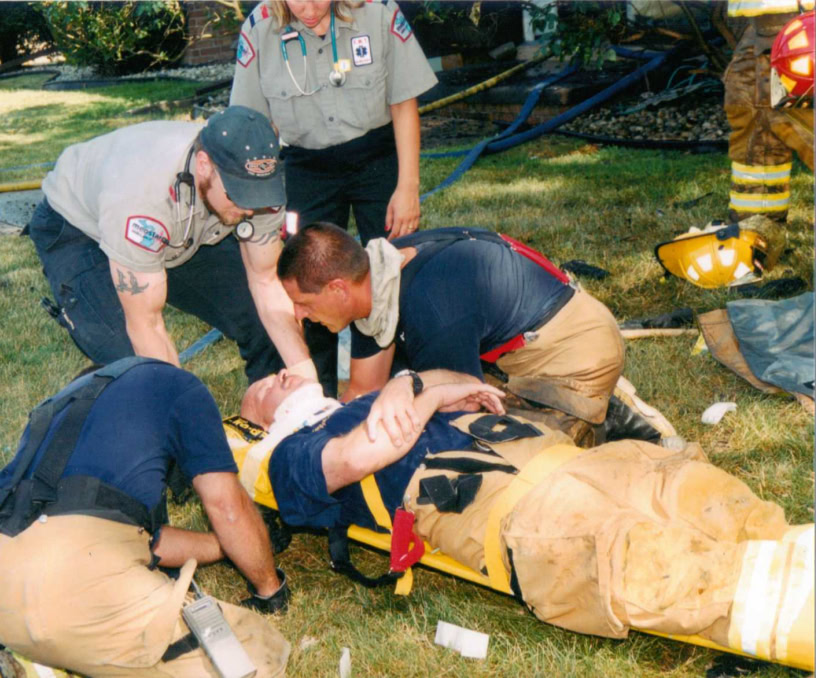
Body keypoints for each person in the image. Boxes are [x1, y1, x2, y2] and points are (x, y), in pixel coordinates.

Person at [235, 368, 815, 670]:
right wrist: (420, 394)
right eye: (263, 385)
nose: (280, 375)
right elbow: (366, 456)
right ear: (262, 421)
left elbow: (470, 388)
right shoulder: (290, 453)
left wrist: (420, 388)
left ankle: (792, 553)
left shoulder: (368, 401)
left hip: (571, 461)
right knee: (650, 565)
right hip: (523, 512)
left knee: (702, 495)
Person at [0, 358, 290, 678]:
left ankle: (9, 668)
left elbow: (149, 543)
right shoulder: (181, 388)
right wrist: (269, 587)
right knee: (250, 651)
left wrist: (227, 548)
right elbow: (227, 507)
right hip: (72, 584)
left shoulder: (59, 409)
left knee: (83, 633)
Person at [277, 222, 673, 445]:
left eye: (304, 303)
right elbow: (362, 392)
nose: (298, 315)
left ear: (337, 289)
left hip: (576, 349)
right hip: (523, 345)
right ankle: (585, 405)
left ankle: (610, 413)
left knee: (500, 450)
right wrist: (313, 422)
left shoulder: (430, 304)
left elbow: (463, 402)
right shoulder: (374, 277)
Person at [230, 0, 439, 394]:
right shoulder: (259, 28)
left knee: (392, 272)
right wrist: (264, 206)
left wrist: (407, 186)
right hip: (306, 166)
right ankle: (318, 391)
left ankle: (403, 379)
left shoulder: (377, 13)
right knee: (307, 277)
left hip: (377, 157)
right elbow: (252, 127)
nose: (307, 8)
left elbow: (403, 103)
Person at [27, 105, 317, 385]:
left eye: (258, 194)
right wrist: (183, 415)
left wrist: (307, 382)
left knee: (260, 320)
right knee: (135, 368)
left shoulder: (260, 186)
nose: (250, 210)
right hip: (78, 228)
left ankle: (274, 417)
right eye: (239, 194)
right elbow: (146, 324)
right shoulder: (142, 199)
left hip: (184, 221)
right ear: (205, 165)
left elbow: (266, 283)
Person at [724, 0, 813, 224]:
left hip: (798, 23)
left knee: (803, 127)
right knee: (755, 126)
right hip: (760, 25)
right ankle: (757, 224)